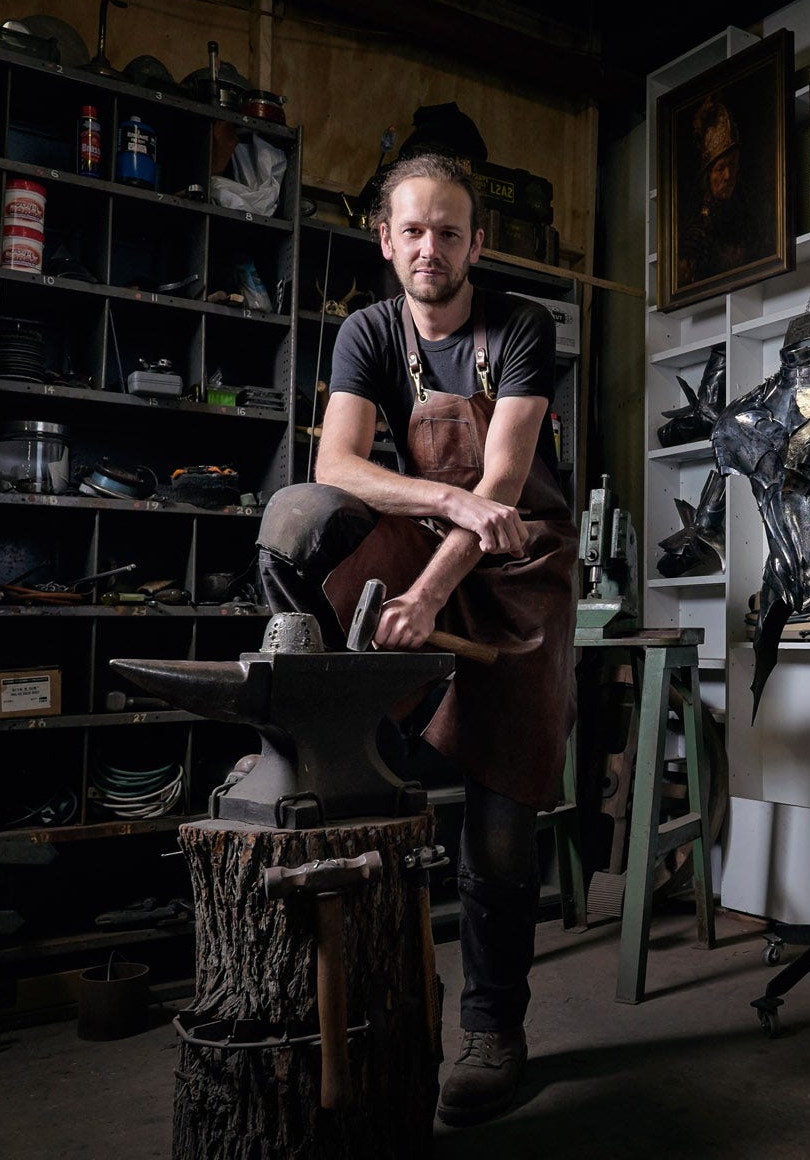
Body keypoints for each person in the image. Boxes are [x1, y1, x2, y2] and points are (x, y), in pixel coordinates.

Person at [254, 152, 579, 1127]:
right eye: (413, 231)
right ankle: (313, 714)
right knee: (296, 515)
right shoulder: (368, 331)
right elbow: (339, 461)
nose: (430, 247)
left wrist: (431, 592)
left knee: (499, 823)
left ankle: (492, 1029)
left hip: (517, 571)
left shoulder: (520, 326)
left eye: (449, 230)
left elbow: (506, 488)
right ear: (386, 241)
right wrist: (436, 500)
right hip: (438, 535)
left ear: (475, 243)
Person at [677, 94, 766, 286]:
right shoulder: (697, 233)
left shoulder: (748, 221)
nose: (728, 175)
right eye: (720, 168)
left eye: (733, 165)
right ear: (708, 176)